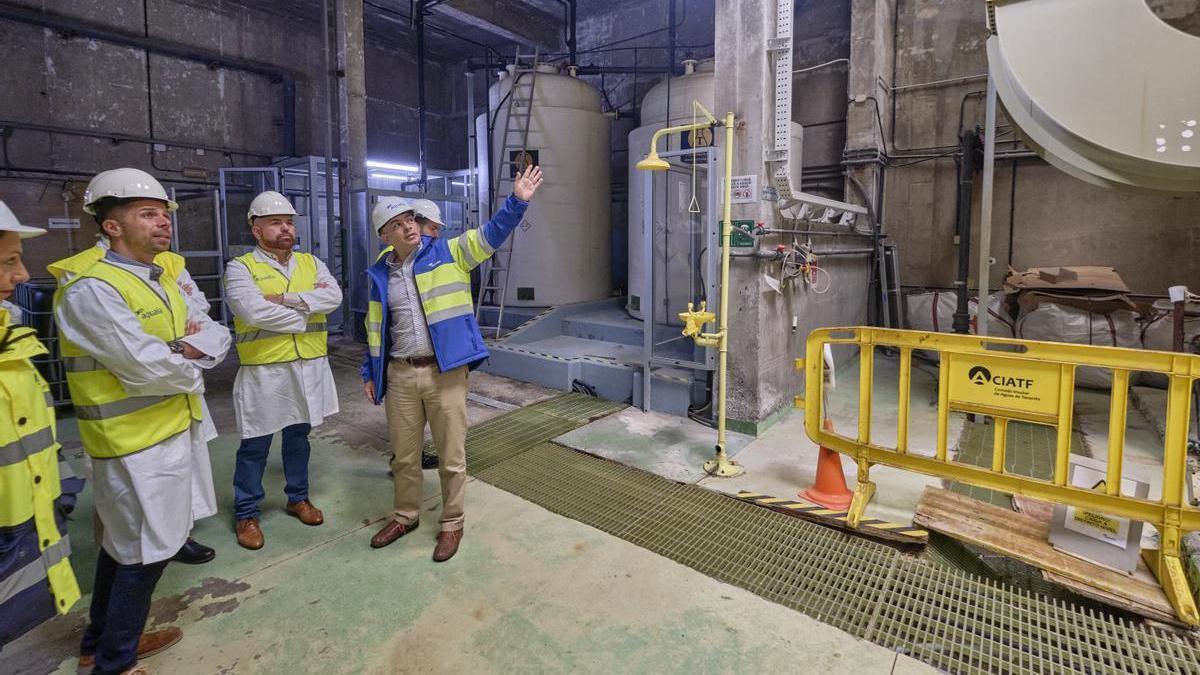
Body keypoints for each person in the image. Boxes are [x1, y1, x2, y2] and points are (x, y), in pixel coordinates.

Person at [50, 167, 231, 675]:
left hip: (166, 432)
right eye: (148, 214)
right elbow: (146, 366)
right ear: (111, 225)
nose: (164, 224)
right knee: (146, 554)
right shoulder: (92, 290)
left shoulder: (161, 279)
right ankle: (117, 664)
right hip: (131, 445)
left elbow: (213, 332)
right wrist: (185, 357)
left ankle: (99, 645)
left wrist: (180, 353)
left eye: (164, 215)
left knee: (123, 546)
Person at [363, 165, 543, 562]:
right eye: (398, 224)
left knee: (450, 455)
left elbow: (492, 234)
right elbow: (375, 327)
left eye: (411, 219)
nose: (409, 227)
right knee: (405, 456)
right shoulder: (380, 275)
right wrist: (369, 372)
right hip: (399, 373)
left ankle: (451, 522)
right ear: (384, 236)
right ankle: (405, 515)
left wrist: (516, 201)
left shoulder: (451, 252)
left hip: (445, 372)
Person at [223, 191, 342, 550]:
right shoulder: (241, 268)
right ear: (256, 230)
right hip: (264, 372)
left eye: (289, 222)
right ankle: (246, 512)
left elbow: (334, 298)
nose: (285, 228)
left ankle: (298, 498)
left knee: (298, 439)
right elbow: (253, 313)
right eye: (275, 222)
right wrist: (307, 310)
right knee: (255, 444)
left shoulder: (311, 263)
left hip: (307, 368)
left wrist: (286, 299)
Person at [0, 201, 82, 649]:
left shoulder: (11, 347)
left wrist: (62, 489)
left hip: (31, 525)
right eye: (9, 262)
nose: (23, 276)